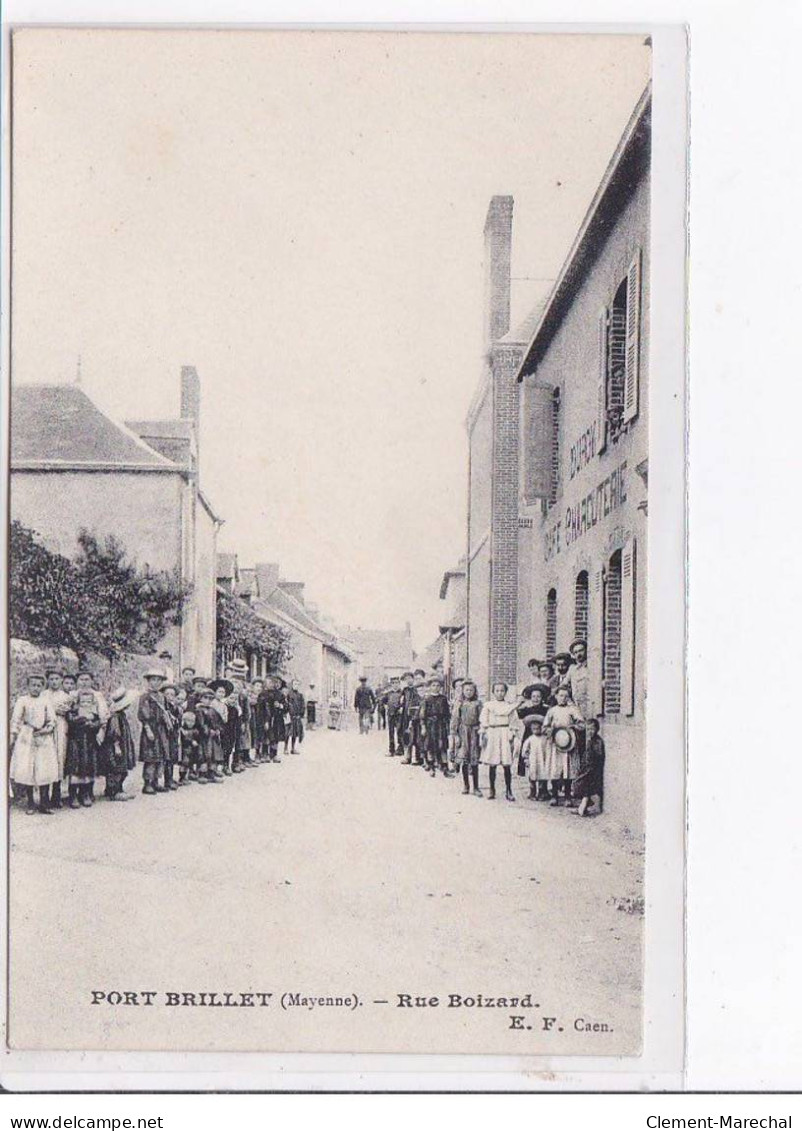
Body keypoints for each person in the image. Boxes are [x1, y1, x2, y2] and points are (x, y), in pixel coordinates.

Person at [10, 673, 59, 815]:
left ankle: (44, 803)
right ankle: (30, 803)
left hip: (43, 737)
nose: (36, 688)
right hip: (27, 737)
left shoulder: (45, 701)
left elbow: (52, 720)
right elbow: (16, 720)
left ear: (43, 687)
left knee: (44, 768)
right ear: (28, 686)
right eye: (33, 685)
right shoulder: (22, 700)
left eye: (39, 685)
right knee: (28, 768)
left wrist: (45, 730)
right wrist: (14, 735)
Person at [542, 685, 585, 807]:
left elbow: (582, 724)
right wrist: (551, 730)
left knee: (568, 769)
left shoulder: (573, 710)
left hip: (569, 742)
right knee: (556, 768)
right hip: (555, 743)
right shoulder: (552, 710)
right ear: (556, 696)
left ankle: (567, 796)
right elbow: (545, 727)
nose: (563, 698)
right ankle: (554, 795)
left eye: (566, 696)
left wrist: (573, 727)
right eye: (561, 695)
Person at [479, 681, 519, 801]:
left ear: (505, 692)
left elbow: (513, 721)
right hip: (493, 733)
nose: (500, 693)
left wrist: (513, 734)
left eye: (502, 690)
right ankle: (492, 789)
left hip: (505, 732)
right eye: (497, 691)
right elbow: (483, 720)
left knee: (507, 765)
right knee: (493, 764)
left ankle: (509, 790)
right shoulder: (488, 706)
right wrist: (484, 733)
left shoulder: (510, 706)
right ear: (493, 692)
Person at [65, 689, 103, 808]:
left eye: (88, 702)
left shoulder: (94, 714)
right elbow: (71, 722)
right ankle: (73, 795)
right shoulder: (74, 712)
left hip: (89, 745)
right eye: (83, 702)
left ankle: (85, 793)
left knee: (88, 768)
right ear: (78, 702)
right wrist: (83, 719)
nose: (85, 704)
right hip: (76, 744)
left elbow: (98, 724)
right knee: (76, 768)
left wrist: (93, 724)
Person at [137, 669, 172, 795]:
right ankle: (148, 783)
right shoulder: (145, 697)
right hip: (151, 729)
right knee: (150, 756)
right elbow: (143, 714)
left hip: (161, 730)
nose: (156, 683)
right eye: (153, 680)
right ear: (148, 681)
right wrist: (148, 729)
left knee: (160, 756)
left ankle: (156, 781)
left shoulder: (162, 697)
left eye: (159, 680)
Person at [100, 687, 137, 801]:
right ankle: (113, 791)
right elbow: (114, 733)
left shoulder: (121, 715)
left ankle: (118, 789)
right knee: (116, 768)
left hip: (122, 744)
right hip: (116, 746)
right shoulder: (115, 717)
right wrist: (116, 746)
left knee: (121, 769)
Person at [44, 668, 71, 809]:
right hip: (47, 728)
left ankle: (56, 793)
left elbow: (66, 710)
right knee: (47, 758)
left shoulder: (66, 696)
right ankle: (45, 795)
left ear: (61, 680)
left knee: (60, 757)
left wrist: (56, 710)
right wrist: (53, 709)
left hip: (61, 728)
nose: (54, 682)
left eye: (57, 679)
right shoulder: (43, 695)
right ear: (47, 680)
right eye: (51, 679)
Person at [454, 679, 482, 796]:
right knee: (464, 759)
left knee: (474, 760)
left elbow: (482, 719)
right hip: (463, 732)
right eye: (466, 690)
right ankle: (466, 785)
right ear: (463, 691)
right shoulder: (459, 704)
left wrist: (481, 732)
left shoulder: (478, 704)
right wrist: (455, 735)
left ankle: (476, 787)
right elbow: (455, 720)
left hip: (475, 732)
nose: (469, 692)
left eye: (471, 690)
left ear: (474, 691)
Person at [574, 717, 606, 817]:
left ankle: (583, 808)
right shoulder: (589, 740)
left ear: (597, 729)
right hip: (586, 767)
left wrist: (591, 766)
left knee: (586, 787)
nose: (590, 731)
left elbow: (598, 755)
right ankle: (585, 805)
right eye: (588, 729)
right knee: (580, 785)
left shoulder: (597, 741)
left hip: (593, 769)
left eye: (592, 729)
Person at [420, 676, 451, 778]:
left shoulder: (443, 699)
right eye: (433, 685)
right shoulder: (426, 699)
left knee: (443, 746)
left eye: (438, 685)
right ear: (430, 687)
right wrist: (423, 727)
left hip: (441, 725)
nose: (436, 687)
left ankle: (445, 768)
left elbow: (447, 714)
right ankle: (432, 767)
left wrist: (447, 726)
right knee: (430, 746)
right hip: (430, 725)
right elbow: (422, 714)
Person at [522, 716, 550, 802]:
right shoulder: (530, 739)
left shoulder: (545, 738)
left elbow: (548, 749)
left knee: (542, 776)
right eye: (533, 728)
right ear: (531, 729)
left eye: (538, 727)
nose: (536, 729)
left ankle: (542, 793)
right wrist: (526, 759)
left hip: (543, 761)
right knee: (532, 777)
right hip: (533, 761)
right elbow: (525, 750)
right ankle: (532, 793)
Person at [209, 679, 235, 774]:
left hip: (222, 727)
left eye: (223, 692)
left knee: (224, 747)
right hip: (213, 727)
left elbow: (225, 718)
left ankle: (224, 766)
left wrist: (223, 717)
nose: (221, 694)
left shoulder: (224, 705)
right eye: (219, 692)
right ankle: (212, 768)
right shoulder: (212, 703)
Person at [399, 672, 422, 765]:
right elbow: (402, 701)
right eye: (406, 679)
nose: (408, 680)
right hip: (406, 715)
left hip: (416, 715)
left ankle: (418, 758)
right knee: (407, 737)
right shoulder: (405, 690)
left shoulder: (417, 689)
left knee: (417, 737)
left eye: (410, 678)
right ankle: (407, 757)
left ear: (413, 679)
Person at [162, 684, 182, 791]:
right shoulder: (163, 707)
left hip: (174, 734)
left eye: (172, 694)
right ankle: (167, 781)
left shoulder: (176, 708)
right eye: (167, 694)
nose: (169, 696)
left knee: (173, 756)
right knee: (167, 757)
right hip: (166, 734)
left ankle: (170, 778)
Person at [179, 709, 201, 784]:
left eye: (192, 721)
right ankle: (182, 778)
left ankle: (189, 774)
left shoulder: (194, 730)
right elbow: (184, 739)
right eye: (188, 721)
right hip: (185, 750)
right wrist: (191, 741)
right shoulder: (183, 730)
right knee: (184, 763)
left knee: (190, 763)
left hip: (191, 749)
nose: (191, 723)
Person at [384, 676, 403, 757]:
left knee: (399, 731)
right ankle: (391, 750)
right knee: (391, 732)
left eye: (397, 683)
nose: (395, 685)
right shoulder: (388, 693)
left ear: (399, 684)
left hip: (399, 715)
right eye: (393, 683)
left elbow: (404, 702)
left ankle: (400, 749)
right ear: (391, 684)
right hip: (391, 714)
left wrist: (402, 707)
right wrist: (386, 706)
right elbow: (383, 701)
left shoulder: (402, 692)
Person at [286, 680, 306, 753]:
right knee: (287, 733)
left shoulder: (300, 695)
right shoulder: (289, 694)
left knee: (295, 733)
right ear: (292, 685)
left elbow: (303, 705)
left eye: (297, 684)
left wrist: (301, 714)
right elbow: (287, 704)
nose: (296, 686)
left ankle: (293, 748)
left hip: (297, 716)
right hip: (290, 716)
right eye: (295, 684)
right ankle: (285, 748)